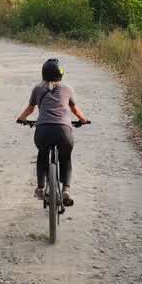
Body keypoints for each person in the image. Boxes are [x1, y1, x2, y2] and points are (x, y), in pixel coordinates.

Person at [16, 57, 90, 205]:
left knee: (42, 155)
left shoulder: (38, 89)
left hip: (43, 131)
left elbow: (30, 109)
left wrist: (21, 118)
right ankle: (66, 190)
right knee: (66, 157)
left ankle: (41, 188)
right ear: (60, 74)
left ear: (43, 73)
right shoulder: (67, 89)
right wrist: (83, 120)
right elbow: (75, 109)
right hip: (63, 131)